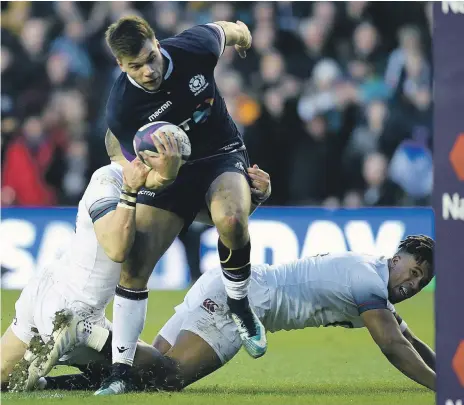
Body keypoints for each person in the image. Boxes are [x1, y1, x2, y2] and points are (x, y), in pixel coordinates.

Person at [0, 128, 272, 392]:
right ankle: (80, 333)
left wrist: (253, 198)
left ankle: (45, 385)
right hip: (73, 312)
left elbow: (216, 216)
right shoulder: (108, 179)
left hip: (46, 293)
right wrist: (130, 192)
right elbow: (116, 249)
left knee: (2, 381)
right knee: (161, 372)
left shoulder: (147, 188)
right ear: (139, 149)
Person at [35, 235, 435, 393]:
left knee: (141, 378)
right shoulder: (368, 280)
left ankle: (46, 381)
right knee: (168, 377)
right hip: (248, 303)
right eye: (413, 271)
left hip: (229, 282)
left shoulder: (373, 284)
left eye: (421, 283)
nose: (412, 285)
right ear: (395, 258)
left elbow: (410, 341)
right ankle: (87, 330)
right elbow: (393, 347)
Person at [100, 15, 266, 394]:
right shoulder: (122, 109)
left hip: (219, 153)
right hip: (167, 172)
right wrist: (164, 173)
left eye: (149, 58)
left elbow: (230, 29)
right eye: (135, 66)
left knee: (233, 220)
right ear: (120, 66)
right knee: (135, 264)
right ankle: (120, 372)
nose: (147, 71)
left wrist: (244, 37)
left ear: (156, 43)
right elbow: (142, 169)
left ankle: (240, 307)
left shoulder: (195, 46)